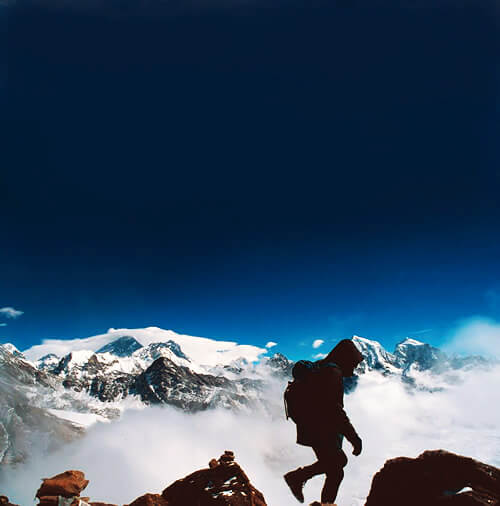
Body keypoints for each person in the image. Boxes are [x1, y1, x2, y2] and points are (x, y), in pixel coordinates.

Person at [284, 339, 364, 506]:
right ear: (346, 358)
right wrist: (353, 437)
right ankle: (297, 478)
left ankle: (299, 478)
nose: (355, 368)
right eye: (354, 363)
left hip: (312, 427)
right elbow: (335, 410)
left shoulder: (323, 367)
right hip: (321, 429)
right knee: (337, 466)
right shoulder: (332, 373)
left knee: (335, 467)